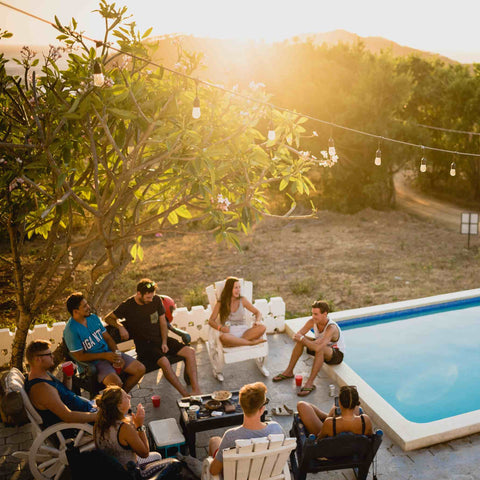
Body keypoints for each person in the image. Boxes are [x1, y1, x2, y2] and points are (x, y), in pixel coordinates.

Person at [104, 279, 201, 397]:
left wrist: (165, 342)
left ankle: (196, 391)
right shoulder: (128, 305)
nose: (151, 300)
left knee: (190, 352)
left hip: (160, 340)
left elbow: (163, 323)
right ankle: (185, 395)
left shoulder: (155, 300)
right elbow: (108, 318)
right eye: (148, 297)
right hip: (145, 346)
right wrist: (120, 326)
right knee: (165, 362)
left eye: (152, 296)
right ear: (139, 294)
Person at [63, 292, 145, 393]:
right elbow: (79, 356)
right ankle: (118, 399)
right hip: (95, 363)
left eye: (87, 304)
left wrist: (118, 355)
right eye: (84, 306)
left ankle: (121, 398)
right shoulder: (71, 330)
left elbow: (108, 339)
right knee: (116, 384)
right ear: (76, 311)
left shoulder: (93, 318)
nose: (88, 307)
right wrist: (105, 356)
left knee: (140, 369)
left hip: (110, 355)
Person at [208, 382, 283, 476]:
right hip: (266, 474)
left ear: (242, 406)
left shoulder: (231, 436)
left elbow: (213, 471)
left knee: (214, 440)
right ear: (262, 409)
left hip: (238, 475)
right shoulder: (276, 429)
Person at [272, 300, 345, 397]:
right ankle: (289, 371)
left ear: (325, 314)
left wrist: (304, 339)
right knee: (301, 341)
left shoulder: (331, 328)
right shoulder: (312, 321)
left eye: (316, 314)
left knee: (319, 348)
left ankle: (310, 383)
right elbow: (296, 336)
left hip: (335, 355)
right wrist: (304, 339)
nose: (313, 316)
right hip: (320, 346)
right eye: (312, 313)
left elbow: (318, 346)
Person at [25, 339, 97, 428]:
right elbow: (68, 416)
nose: (53, 356)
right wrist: (99, 416)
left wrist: (68, 376)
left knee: (115, 399)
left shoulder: (43, 374)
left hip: (88, 409)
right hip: (81, 425)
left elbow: (65, 394)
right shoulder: (42, 388)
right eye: (49, 354)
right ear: (38, 359)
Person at [94, 385, 162, 471]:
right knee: (157, 456)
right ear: (119, 406)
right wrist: (139, 426)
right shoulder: (124, 428)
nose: (129, 396)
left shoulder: (98, 423)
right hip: (127, 473)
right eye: (126, 396)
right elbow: (145, 453)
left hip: (109, 470)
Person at [208, 277, 266, 347]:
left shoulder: (243, 300)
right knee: (223, 337)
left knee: (262, 327)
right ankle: (250, 343)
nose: (238, 290)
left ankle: (237, 342)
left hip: (244, 331)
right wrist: (221, 328)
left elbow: (257, 312)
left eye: (239, 287)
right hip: (229, 332)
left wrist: (257, 321)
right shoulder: (221, 303)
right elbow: (211, 321)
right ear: (229, 289)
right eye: (236, 288)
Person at [297, 385, 373, 438]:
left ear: (339, 403)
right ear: (357, 403)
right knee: (351, 393)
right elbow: (370, 437)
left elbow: (319, 441)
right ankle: (332, 415)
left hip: (332, 453)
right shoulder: (365, 420)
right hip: (355, 450)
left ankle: (328, 415)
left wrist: (330, 416)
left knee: (302, 405)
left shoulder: (330, 423)